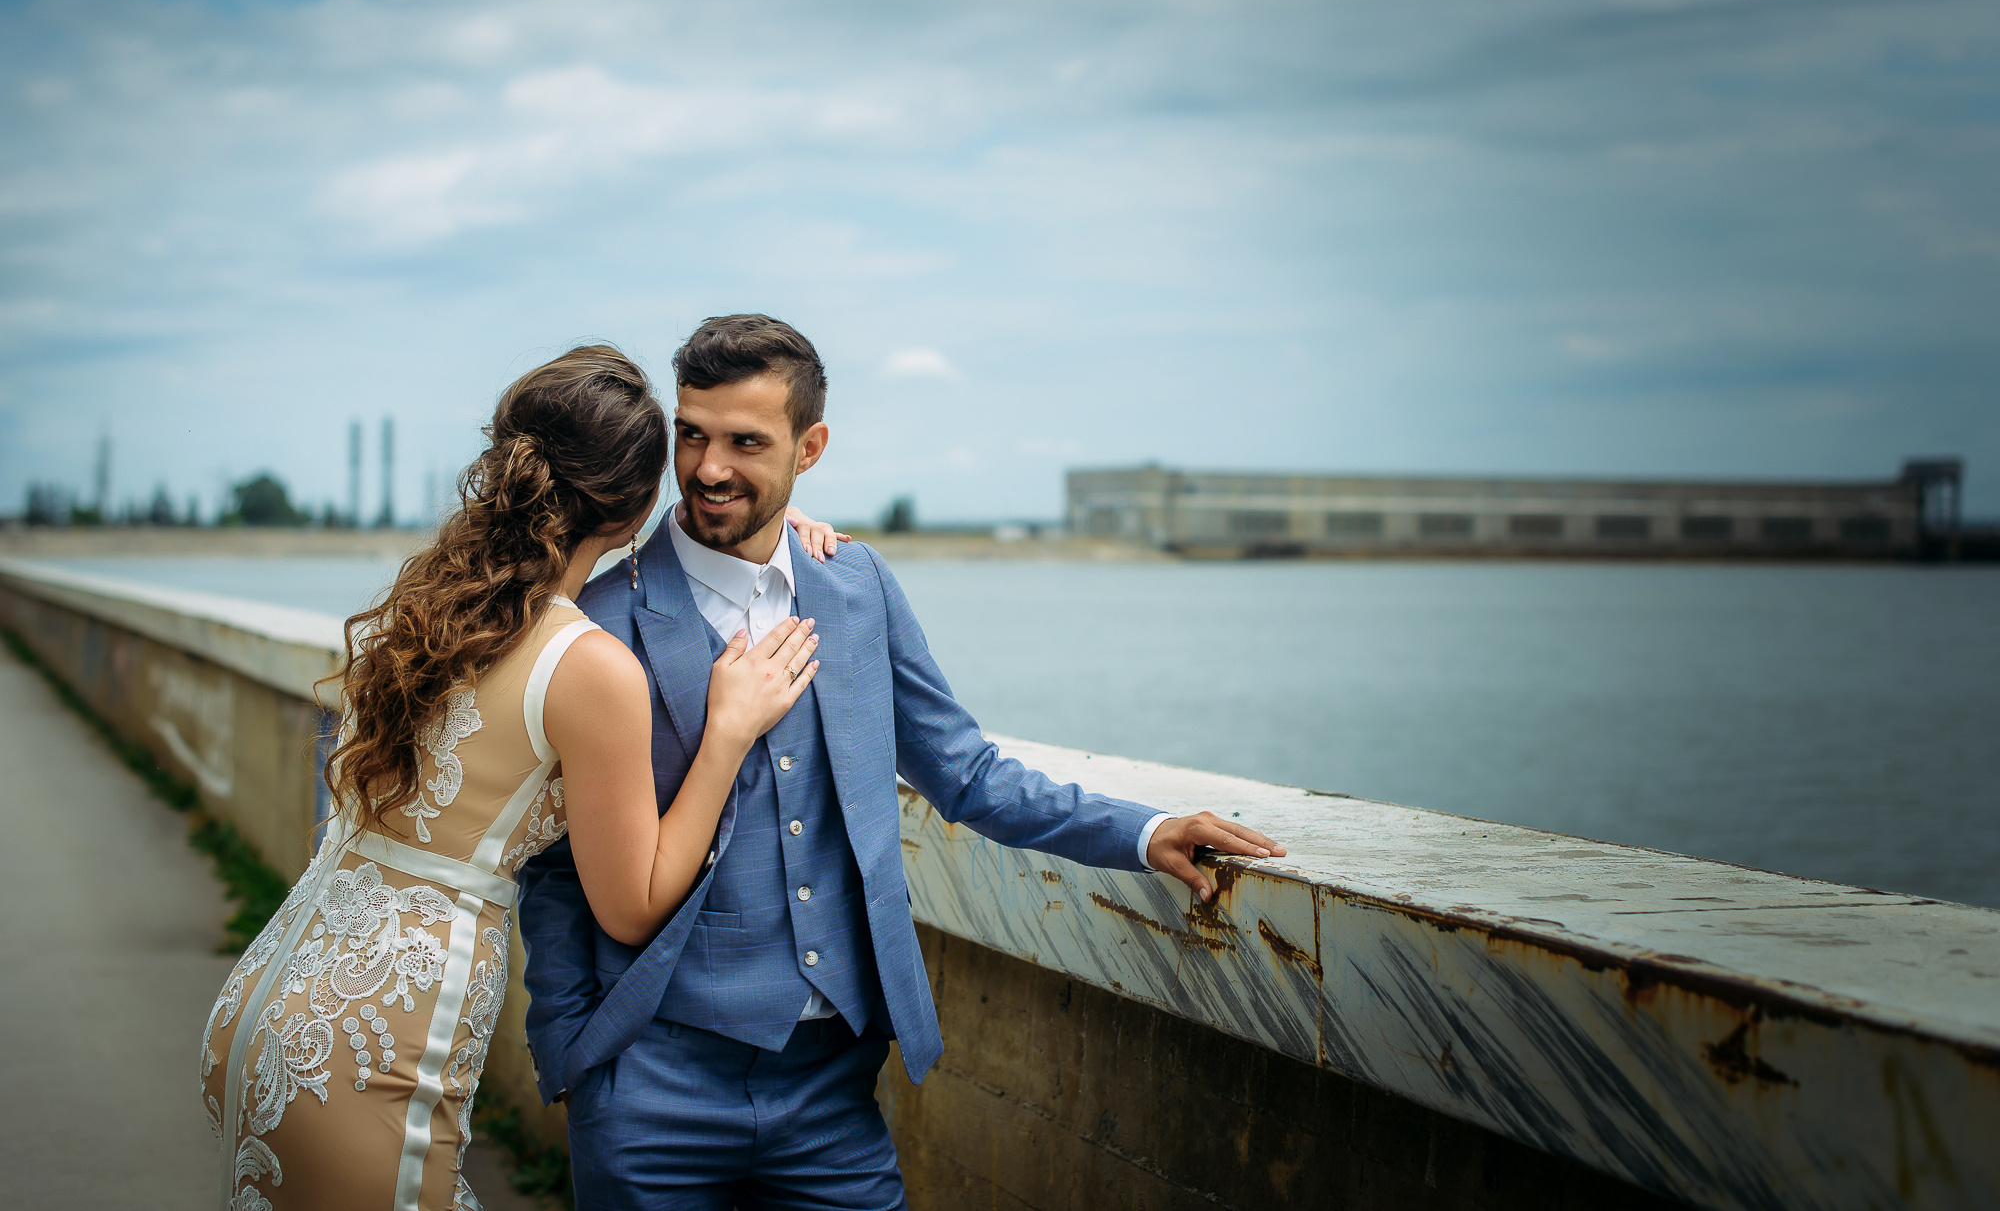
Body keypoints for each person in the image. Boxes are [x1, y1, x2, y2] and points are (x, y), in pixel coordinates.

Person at [518, 314, 1284, 1210]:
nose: (709, 467)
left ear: (810, 448)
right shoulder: (603, 617)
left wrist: (1144, 829)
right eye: (692, 434)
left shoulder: (855, 586)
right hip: (650, 1083)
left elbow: (965, 771)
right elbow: (556, 862)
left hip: (830, 1087)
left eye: (745, 442)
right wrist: (570, 1053)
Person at [200, 344, 841, 1210]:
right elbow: (634, 900)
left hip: (276, 997)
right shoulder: (591, 666)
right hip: (376, 1036)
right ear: (640, 504)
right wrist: (725, 732)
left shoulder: (429, 607)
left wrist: (791, 536)